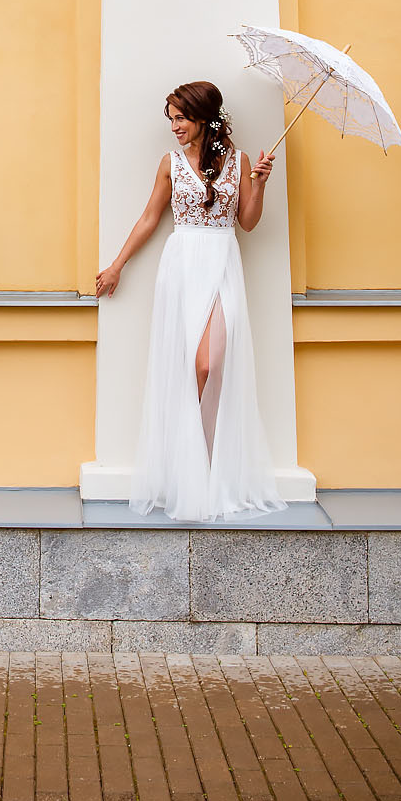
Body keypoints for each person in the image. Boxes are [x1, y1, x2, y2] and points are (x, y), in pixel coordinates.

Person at [95, 80, 285, 520]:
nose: (175, 127)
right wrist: (117, 265)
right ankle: (190, 472)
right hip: (181, 267)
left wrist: (258, 185)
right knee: (185, 370)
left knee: (209, 364)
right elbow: (149, 218)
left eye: (181, 118)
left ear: (203, 118)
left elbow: (249, 223)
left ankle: (209, 467)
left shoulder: (238, 161)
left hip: (221, 262)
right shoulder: (170, 163)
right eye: (172, 119)